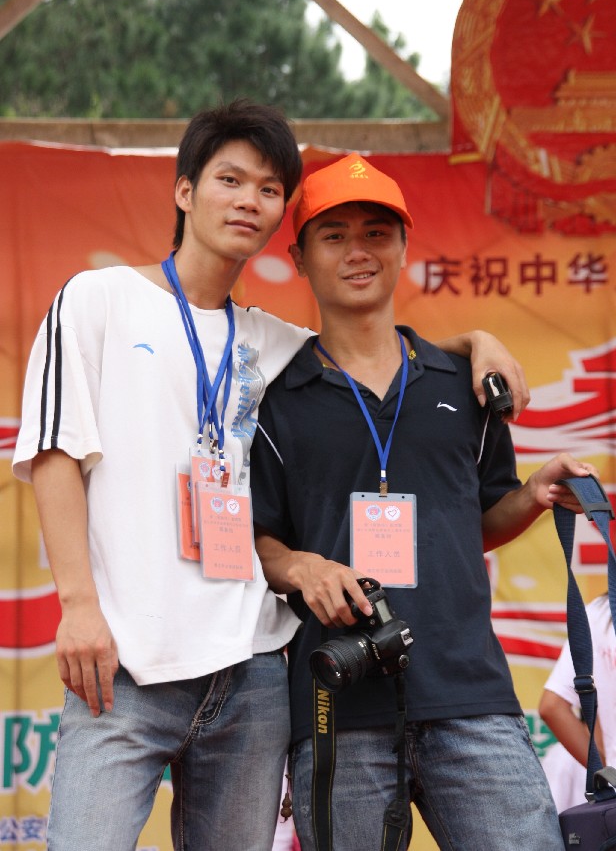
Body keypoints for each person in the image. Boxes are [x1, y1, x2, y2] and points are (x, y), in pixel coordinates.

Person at [12, 102, 529, 851]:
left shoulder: (272, 341)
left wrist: (476, 341)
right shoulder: (98, 299)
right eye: (229, 180)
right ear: (185, 190)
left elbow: (373, 347)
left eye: (267, 189)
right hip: (124, 663)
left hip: (250, 674)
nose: (247, 201)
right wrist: (78, 607)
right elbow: (56, 453)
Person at [249, 151, 600, 851]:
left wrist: (533, 494)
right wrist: (304, 567)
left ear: (405, 246)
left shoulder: (463, 384)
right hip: (338, 704)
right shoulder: (275, 402)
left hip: (471, 696)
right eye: (334, 235)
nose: (358, 251)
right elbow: (259, 540)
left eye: (377, 233)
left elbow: (478, 522)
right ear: (299, 258)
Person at [539, 592, 616, 812]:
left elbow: (552, 706)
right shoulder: (598, 612)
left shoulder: (598, 611)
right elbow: (552, 706)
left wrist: (608, 775)